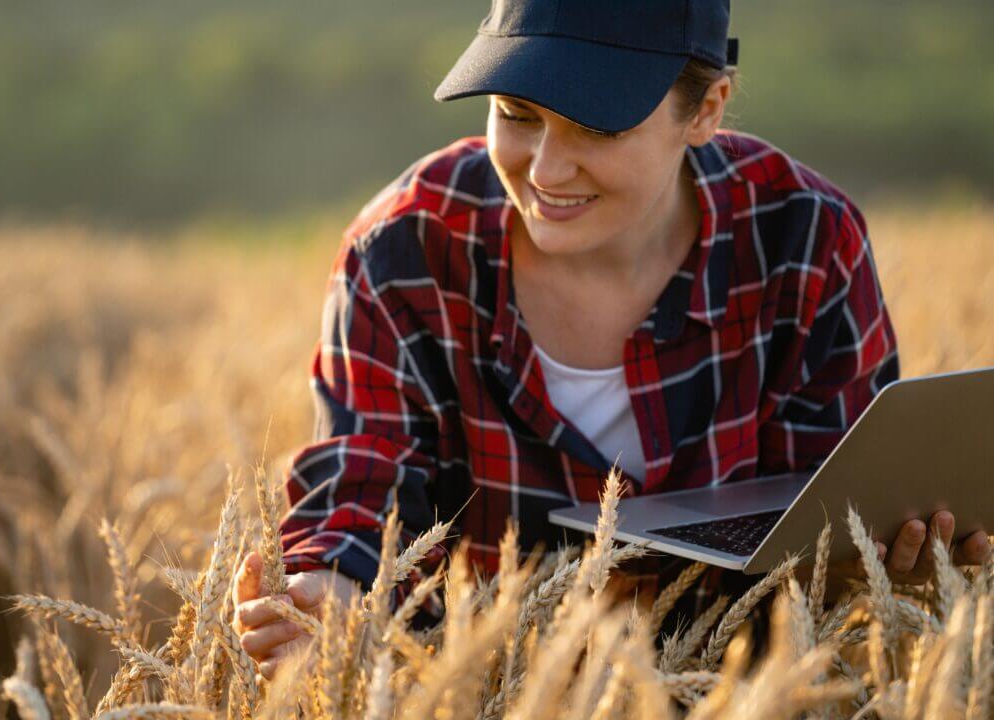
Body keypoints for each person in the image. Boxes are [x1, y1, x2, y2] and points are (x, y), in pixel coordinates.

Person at [233, 0, 992, 679]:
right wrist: (328, 594)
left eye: (596, 124)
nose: (546, 169)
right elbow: (360, 494)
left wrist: (899, 559)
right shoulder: (404, 252)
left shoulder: (805, 241)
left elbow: (833, 516)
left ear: (705, 110)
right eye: (516, 112)